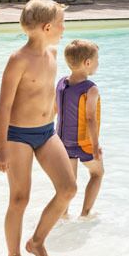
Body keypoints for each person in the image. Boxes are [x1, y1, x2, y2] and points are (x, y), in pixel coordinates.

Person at [0, 0, 78, 256]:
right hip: (17, 135)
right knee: (19, 198)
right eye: (61, 24)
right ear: (47, 27)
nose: (64, 29)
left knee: (68, 189)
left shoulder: (53, 54)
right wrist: (0, 147)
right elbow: (4, 105)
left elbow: (49, 92)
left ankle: (37, 241)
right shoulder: (18, 60)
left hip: (45, 132)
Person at [57, 39, 104, 219]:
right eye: (97, 59)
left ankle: (63, 215)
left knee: (69, 183)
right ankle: (85, 214)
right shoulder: (90, 89)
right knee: (97, 173)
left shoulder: (61, 83)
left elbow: (56, 109)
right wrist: (95, 145)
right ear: (87, 63)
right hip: (83, 142)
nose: (98, 63)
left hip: (62, 142)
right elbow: (90, 118)